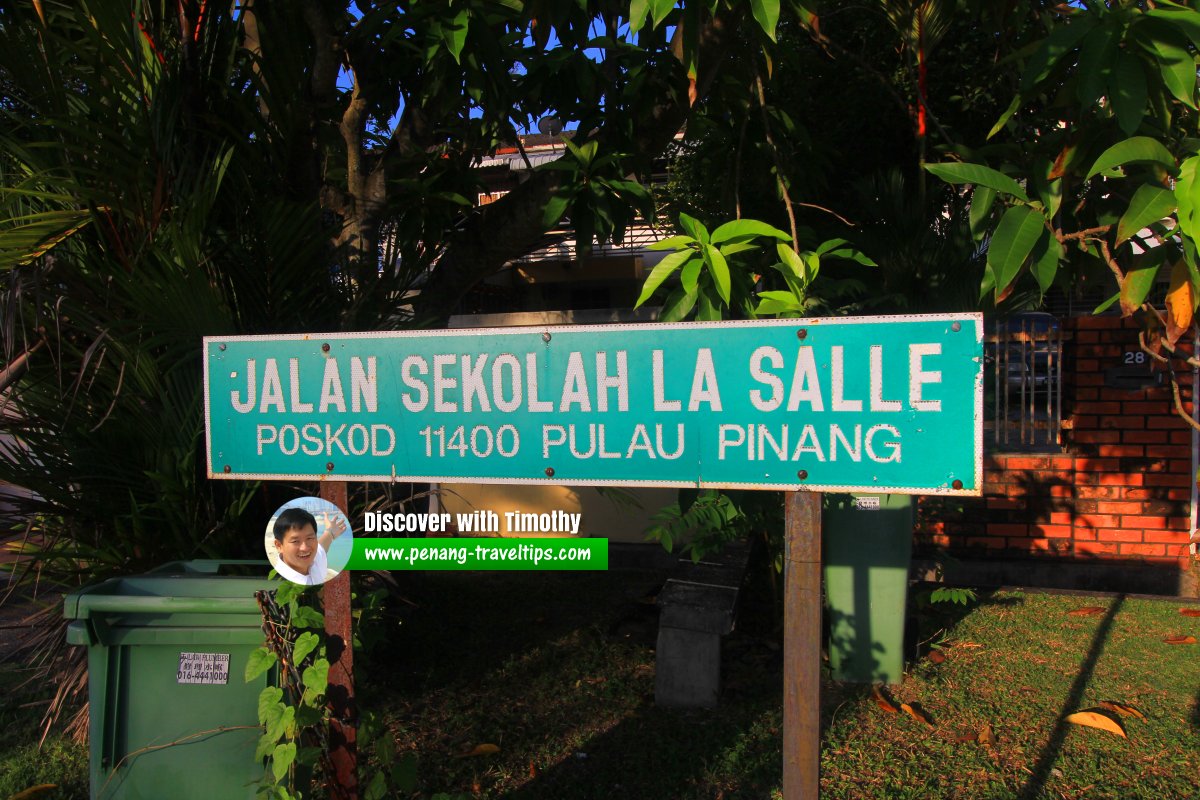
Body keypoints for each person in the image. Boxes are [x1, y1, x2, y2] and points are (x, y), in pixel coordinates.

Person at [272, 506, 347, 585]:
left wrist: (330, 532)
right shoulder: (278, 582)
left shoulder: (314, 560)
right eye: (295, 541)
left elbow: (321, 547)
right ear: (279, 545)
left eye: (310, 538)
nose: (305, 548)